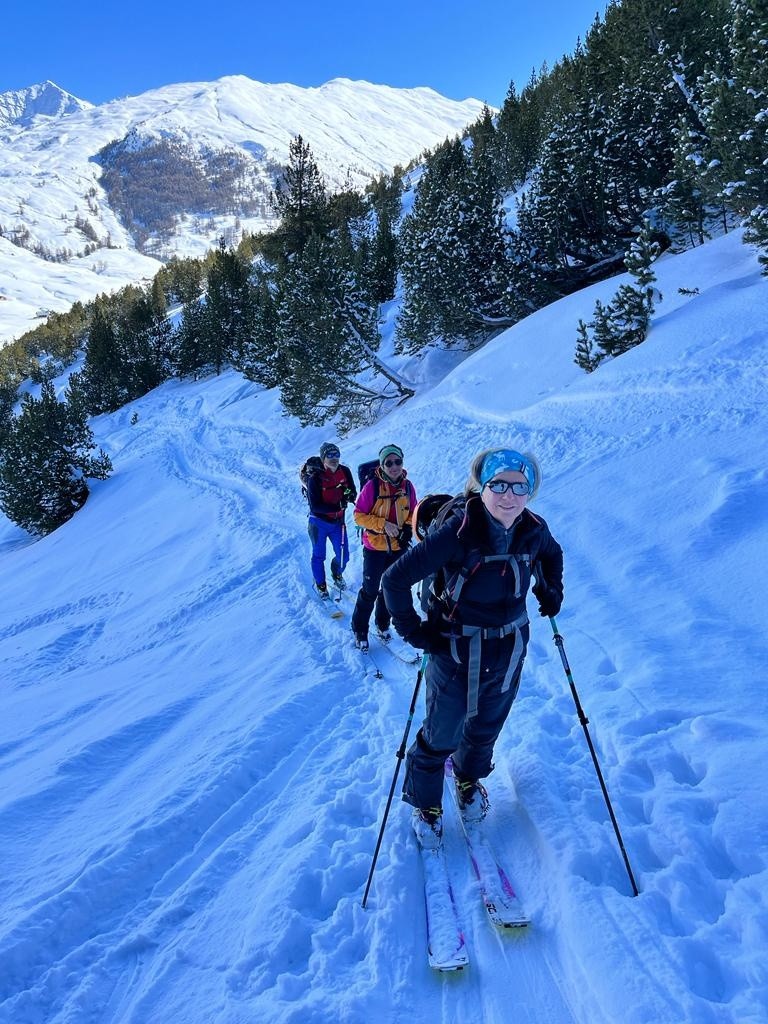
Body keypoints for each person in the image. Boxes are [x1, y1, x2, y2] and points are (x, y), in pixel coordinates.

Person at [381, 447, 563, 849]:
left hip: (510, 647)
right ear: (482, 486)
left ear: (530, 490)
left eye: (519, 486)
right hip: (455, 648)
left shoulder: (534, 528)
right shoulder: (458, 532)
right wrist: (416, 633)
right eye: (498, 484)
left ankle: (467, 778)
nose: (508, 495)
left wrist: (552, 590)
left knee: (485, 726)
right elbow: (393, 581)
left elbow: (552, 555)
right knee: (442, 730)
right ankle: (427, 804)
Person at [351, 444, 417, 651]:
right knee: (370, 590)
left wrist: (408, 528)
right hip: (374, 547)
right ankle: (360, 629)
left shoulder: (408, 487)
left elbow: (412, 512)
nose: (394, 466)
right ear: (382, 465)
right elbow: (358, 516)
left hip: (398, 546)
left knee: (390, 588)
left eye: (397, 461)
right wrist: (382, 524)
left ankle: (382, 624)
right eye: (389, 463)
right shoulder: (372, 487)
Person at [307, 441, 356, 596]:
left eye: (336, 454)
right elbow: (314, 506)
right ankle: (321, 585)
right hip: (318, 523)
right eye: (329, 455)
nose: (334, 458)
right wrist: (336, 507)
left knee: (344, 556)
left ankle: (336, 573)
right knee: (319, 555)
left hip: (338, 523)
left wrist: (349, 495)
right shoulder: (315, 478)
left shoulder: (345, 471)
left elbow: (352, 490)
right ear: (323, 458)